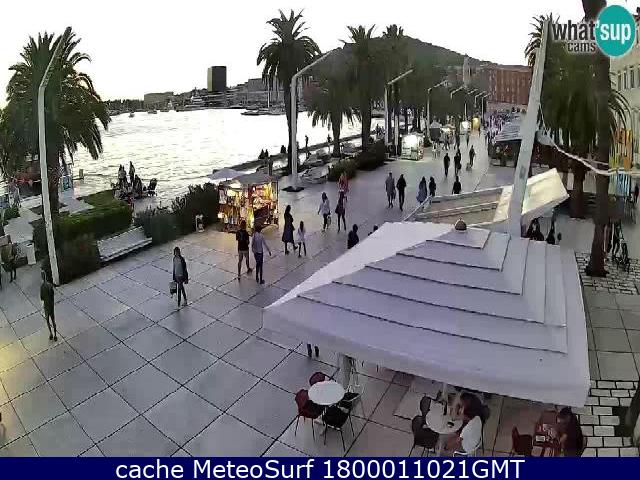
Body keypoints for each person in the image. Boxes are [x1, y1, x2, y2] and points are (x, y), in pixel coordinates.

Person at [40, 272, 57, 341]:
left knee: (47, 320)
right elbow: (53, 295)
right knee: (53, 320)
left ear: (42, 277)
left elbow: (41, 298)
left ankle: (51, 334)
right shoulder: (50, 285)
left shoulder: (42, 287)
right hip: (51, 305)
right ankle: (55, 335)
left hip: (46, 306)